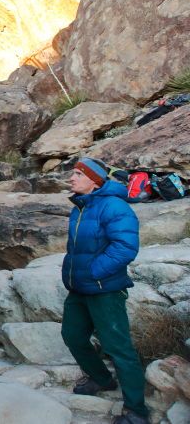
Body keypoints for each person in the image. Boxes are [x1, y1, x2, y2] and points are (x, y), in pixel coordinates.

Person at [60, 157, 148, 424]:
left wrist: (94, 271)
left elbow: (125, 248)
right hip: (79, 289)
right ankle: (101, 379)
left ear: (94, 179)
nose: (71, 178)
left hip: (104, 289)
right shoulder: (81, 207)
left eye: (77, 174)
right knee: (72, 336)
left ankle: (136, 411)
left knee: (118, 348)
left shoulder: (114, 206)